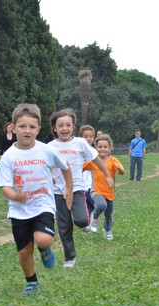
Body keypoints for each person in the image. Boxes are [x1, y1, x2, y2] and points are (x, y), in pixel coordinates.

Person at [0, 103, 73, 295]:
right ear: (13, 128)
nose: (27, 131)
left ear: (38, 129)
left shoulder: (46, 150)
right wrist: (15, 196)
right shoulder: (9, 156)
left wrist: (69, 189)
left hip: (42, 204)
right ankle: (31, 282)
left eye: (32, 127)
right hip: (18, 210)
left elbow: (65, 167)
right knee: (24, 252)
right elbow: (5, 185)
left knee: (44, 239)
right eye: (22, 127)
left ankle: (45, 249)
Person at [48, 108, 113, 268]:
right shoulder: (49, 146)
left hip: (76, 189)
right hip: (57, 192)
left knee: (81, 220)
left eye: (68, 125)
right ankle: (70, 258)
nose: (64, 129)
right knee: (64, 226)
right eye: (60, 125)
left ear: (73, 127)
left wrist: (107, 175)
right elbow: (44, 166)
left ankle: (87, 224)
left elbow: (95, 159)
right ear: (54, 128)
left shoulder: (80, 143)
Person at [83, 133, 125, 240]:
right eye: (100, 147)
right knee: (101, 205)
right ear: (95, 148)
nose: (102, 149)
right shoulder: (93, 161)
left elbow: (122, 172)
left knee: (108, 215)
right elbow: (81, 167)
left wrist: (119, 169)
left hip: (109, 192)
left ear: (110, 148)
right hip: (96, 191)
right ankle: (94, 217)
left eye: (105, 147)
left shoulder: (113, 160)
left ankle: (107, 230)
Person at [80, 124, 96, 227]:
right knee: (82, 203)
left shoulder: (94, 152)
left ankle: (90, 222)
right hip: (80, 182)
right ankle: (84, 220)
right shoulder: (78, 151)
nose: (88, 139)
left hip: (91, 183)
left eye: (90, 136)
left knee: (90, 202)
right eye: (85, 136)